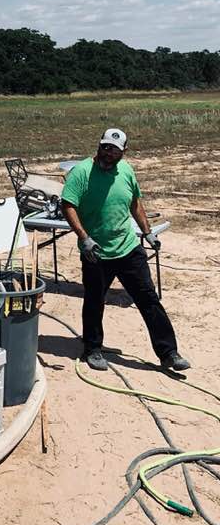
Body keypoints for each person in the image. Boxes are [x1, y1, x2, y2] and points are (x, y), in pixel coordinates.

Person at [61, 128, 190, 373]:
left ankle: (169, 353)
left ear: (124, 152)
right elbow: (68, 205)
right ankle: (92, 349)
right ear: (99, 146)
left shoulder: (127, 171)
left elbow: (135, 202)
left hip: (129, 248)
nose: (109, 154)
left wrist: (147, 232)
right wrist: (84, 238)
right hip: (96, 252)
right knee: (94, 301)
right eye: (105, 148)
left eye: (115, 150)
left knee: (149, 299)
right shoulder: (81, 172)